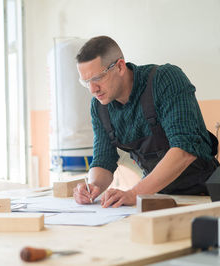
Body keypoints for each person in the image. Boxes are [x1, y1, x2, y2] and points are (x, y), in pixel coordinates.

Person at [73, 36, 219, 208]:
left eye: (97, 78)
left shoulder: (165, 80)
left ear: (120, 66)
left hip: (207, 195)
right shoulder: (100, 107)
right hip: (158, 196)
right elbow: (103, 159)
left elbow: (184, 150)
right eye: (86, 82)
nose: (92, 89)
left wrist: (134, 193)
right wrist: (94, 186)